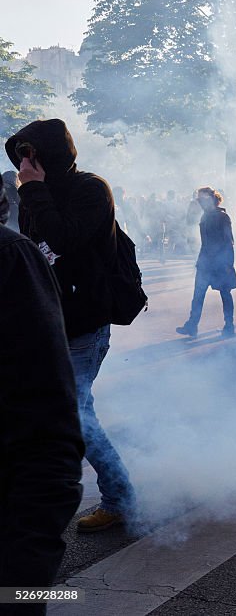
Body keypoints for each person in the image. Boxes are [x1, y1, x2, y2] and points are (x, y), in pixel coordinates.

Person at [6, 119, 136, 533]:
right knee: (64, 411)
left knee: (76, 415)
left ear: (49, 154)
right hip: (51, 323)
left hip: (85, 325)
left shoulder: (90, 189)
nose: (24, 163)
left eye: (31, 154)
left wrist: (33, 191)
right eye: (20, 155)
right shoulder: (33, 196)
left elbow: (62, 239)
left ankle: (119, 499)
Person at [0, 222, 85, 608]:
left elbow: (49, 431)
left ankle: (120, 497)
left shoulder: (10, 255)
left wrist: (21, 589)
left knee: (89, 415)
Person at [176, 187, 236, 338]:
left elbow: (229, 241)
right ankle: (192, 325)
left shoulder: (222, 217)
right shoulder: (205, 215)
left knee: (225, 294)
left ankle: (229, 326)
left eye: (202, 200)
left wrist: (228, 264)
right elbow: (190, 222)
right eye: (199, 200)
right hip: (205, 262)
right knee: (198, 295)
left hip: (219, 263)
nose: (200, 203)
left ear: (212, 199)